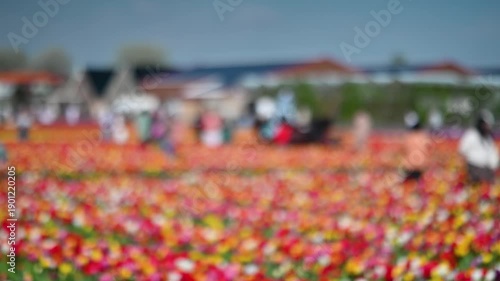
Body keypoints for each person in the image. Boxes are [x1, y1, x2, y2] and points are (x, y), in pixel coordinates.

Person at [458, 110, 498, 184]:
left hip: (487, 169)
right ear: (480, 124)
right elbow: (462, 151)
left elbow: (493, 156)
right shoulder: (471, 135)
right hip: (474, 168)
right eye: (486, 125)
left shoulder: (488, 138)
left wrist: (494, 166)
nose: (488, 127)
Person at [402, 112, 430, 182]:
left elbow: (403, 150)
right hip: (421, 166)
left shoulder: (408, 137)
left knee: (409, 185)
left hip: (409, 166)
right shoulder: (424, 136)